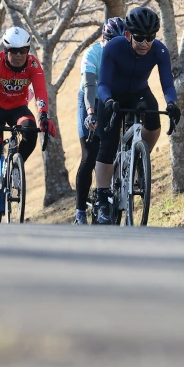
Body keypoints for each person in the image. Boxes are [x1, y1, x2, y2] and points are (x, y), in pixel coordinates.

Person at [93, 7, 180, 225]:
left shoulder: (159, 50)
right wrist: (108, 101)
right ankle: (102, 200)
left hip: (139, 93)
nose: (145, 43)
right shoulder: (114, 47)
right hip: (111, 96)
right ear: (128, 35)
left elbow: (167, 84)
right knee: (108, 145)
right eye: (139, 37)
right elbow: (102, 84)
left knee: (153, 117)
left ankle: (141, 159)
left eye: (150, 37)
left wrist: (172, 103)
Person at [0, 26, 56, 224]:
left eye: (23, 50)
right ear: (6, 50)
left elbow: (40, 91)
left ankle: (16, 165)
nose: (19, 55)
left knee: (30, 129)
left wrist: (43, 115)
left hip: (17, 108)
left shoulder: (33, 64)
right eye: (14, 51)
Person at [73, 16, 125, 225]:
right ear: (104, 39)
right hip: (91, 98)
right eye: (112, 42)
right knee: (90, 152)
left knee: (113, 144)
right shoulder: (93, 54)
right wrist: (90, 113)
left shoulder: (126, 52)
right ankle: (80, 213)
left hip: (112, 99)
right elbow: (89, 85)